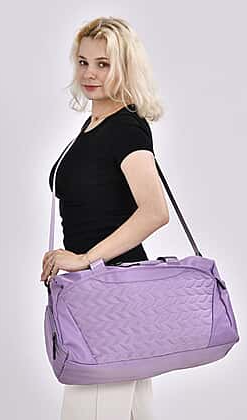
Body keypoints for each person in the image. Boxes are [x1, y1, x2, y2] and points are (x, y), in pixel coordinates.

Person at [40, 16, 169, 420]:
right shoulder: (94, 125)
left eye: (103, 64)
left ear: (124, 67)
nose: (89, 73)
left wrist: (84, 259)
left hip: (113, 292)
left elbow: (155, 211)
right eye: (83, 62)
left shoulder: (126, 128)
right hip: (100, 292)